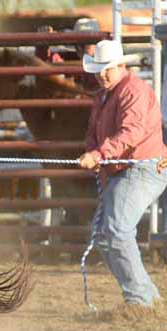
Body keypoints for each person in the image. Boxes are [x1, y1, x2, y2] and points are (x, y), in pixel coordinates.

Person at [78, 40, 167, 307]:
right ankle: (148, 298)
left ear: (121, 66)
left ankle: (140, 300)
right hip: (120, 170)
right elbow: (93, 132)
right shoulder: (104, 95)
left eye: (107, 69)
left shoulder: (134, 91)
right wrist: (93, 151)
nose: (101, 74)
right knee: (104, 238)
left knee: (115, 231)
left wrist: (98, 155)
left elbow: (132, 132)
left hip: (142, 167)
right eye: (98, 69)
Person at [72, 18, 101, 92]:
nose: (81, 48)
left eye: (88, 43)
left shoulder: (103, 65)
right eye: (80, 44)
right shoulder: (69, 56)